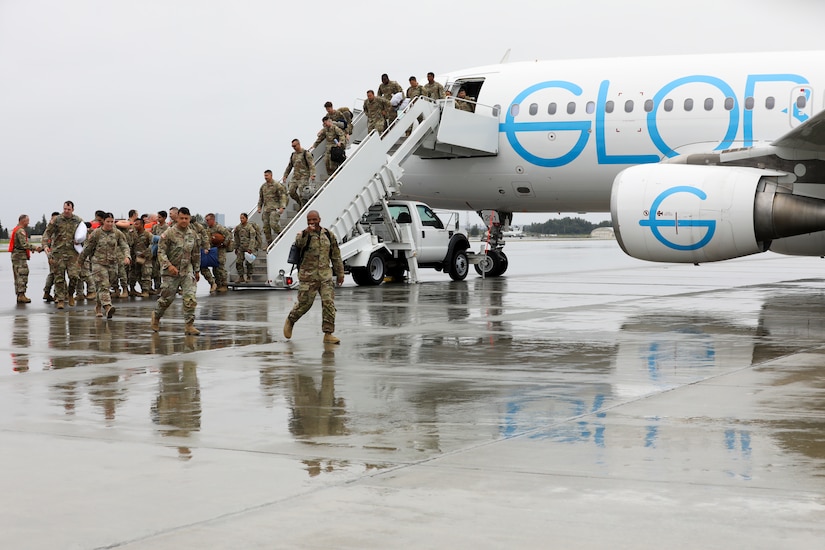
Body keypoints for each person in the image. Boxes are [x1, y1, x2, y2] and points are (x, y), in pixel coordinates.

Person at [283, 210, 345, 344]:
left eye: (314, 220)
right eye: (309, 220)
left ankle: (328, 334)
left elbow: (335, 255)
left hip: (325, 276)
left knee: (328, 303)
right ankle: (291, 320)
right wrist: (306, 232)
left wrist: (340, 273)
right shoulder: (303, 235)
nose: (312, 222)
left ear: (319, 219)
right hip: (308, 276)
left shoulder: (328, 235)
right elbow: (299, 243)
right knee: (305, 304)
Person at [151, 206, 201, 335]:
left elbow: (195, 253)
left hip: (186, 270)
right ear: (177, 218)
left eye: (186, 218)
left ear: (189, 219)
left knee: (190, 298)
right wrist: (169, 266)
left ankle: (189, 325)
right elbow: (161, 252)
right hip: (170, 272)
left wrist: (196, 270)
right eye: (181, 218)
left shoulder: (192, 234)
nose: (184, 221)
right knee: (166, 299)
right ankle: (156, 316)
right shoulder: (169, 233)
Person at [79, 212, 131, 318]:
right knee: (103, 285)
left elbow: (124, 245)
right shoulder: (96, 233)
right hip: (98, 263)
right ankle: (108, 307)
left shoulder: (117, 233)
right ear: (103, 221)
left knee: (105, 287)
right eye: (108, 221)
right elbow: (87, 248)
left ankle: (98, 306)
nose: (110, 224)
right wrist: (80, 261)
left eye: (112, 222)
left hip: (112, 264)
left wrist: (127, 256)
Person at [44, 201, 84, 309]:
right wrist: (45, 246)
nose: (66, 211)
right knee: (59, 278)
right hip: (58, 253)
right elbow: (47, 233)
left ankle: (71, 293)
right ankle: (61, 300)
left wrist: (80, 244)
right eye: (65, 209)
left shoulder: (78, 220)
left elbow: (84, 234)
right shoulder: (57, 220)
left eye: (68, 209)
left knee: (74, 276)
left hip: (73, 254)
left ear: (72, 210)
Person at [9, 214, 42, 303]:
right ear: (23, 221)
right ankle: (21, 294)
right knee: (22, 274)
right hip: (19, 257)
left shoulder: (17, 229)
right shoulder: (20, 231)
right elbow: (24, 244)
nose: (28, 223)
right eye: (27, 221)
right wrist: (35, 247)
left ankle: (20, 295)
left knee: (18, 275)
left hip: (17, 256)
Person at [203, 212, 233, 292]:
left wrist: (224, 243)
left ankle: (224, 285)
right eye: (206, 220)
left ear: (212, 220)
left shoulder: (219, 227)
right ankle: (218, 284)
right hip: (213, 250)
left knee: (220, 268)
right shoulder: (208, 229)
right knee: (215, 268)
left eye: (208, 220)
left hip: (220, 250)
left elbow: (229, 235)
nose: (206, 222)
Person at [283, 138, 317, 208]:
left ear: (298, 144)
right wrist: (285, 175)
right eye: (292, 146)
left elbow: (311, 164)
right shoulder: (293, 155)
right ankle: (300, 203)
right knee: (291, 191)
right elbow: (289, 166)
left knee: (303, 194)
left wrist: (313, 174)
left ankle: (304, 207)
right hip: (295, 177)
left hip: (304, 176)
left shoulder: (306, 153)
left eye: (295, 146)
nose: (294, 148)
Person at [257, 169, 288, 244]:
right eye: (264, 176)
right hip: (266, 210)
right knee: (266, 228)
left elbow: (283, 196)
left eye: (267, 175)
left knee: (273, 224)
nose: (265, 177)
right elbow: (261, 198)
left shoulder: (276, 185)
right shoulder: (263, 187)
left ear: (271, 175)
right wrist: (259, 207)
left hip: (274, 209)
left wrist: (282, 207)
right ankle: (269, 243)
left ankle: (280, 234)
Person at [129, 216, 153, 297]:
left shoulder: (148, 235)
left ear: (142, 225)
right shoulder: (133, 235)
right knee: (133, 274)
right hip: (135, 258)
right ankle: (132, 289)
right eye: (134, 224)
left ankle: (145, 291)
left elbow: (152, 246)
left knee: (146, 274)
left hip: (145, 258)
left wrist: (145, 253)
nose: (135, 225)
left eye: (137, 224)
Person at [233, 212, 260, 283]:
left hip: (249, 248)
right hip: (241, 248)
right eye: (240, 218)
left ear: (246, 219)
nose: (241, 220)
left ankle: (249, 276)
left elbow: (252, 238)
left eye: (243, 218)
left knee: (249, 263)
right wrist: (236, 247)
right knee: (238, 262)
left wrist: (250, 248)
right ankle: (241, 277)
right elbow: (236, 238)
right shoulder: (238, 227)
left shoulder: (250, 227)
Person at [41, 211, 59, 302]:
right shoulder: (50, 230)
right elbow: (45, 243)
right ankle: (56, 295)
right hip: (53, 255)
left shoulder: (60, 228)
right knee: (56, 275)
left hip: (60, 255)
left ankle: (47, 292)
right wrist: (49, 256)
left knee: (53, 274)